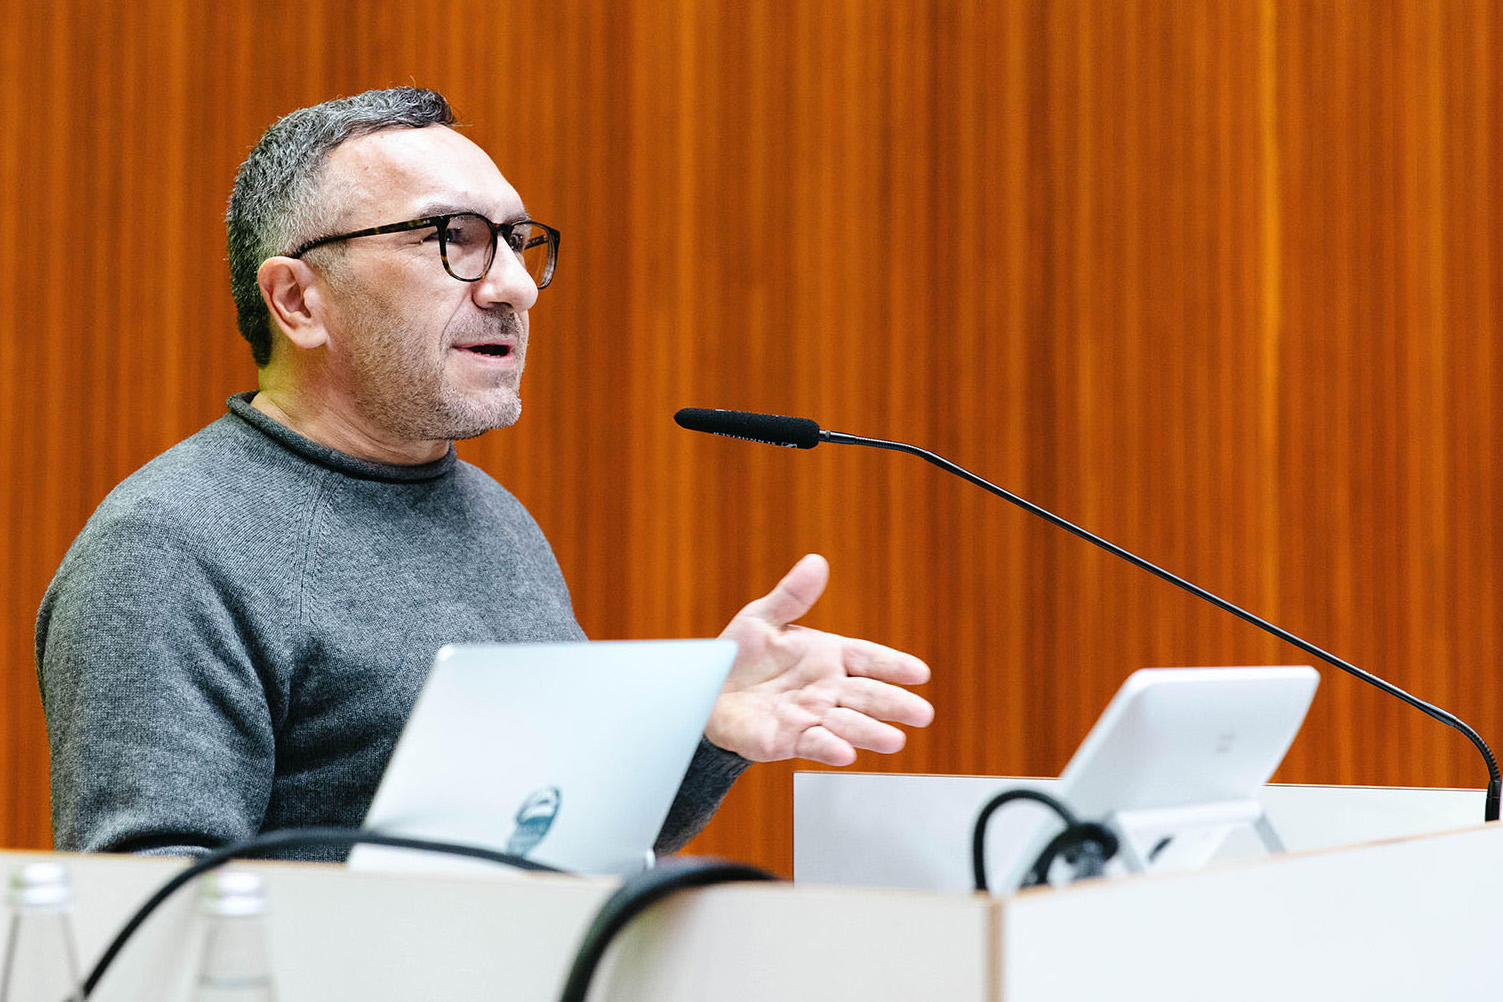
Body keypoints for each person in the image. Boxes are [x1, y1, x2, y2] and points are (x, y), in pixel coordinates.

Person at [35, 87, 933, 861]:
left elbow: (541, 844)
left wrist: (699, 733)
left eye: (514, 241)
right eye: (451, 239)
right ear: (297, 301)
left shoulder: (494, 517)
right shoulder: (167, 550)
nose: (516, 286)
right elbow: (141, 915)